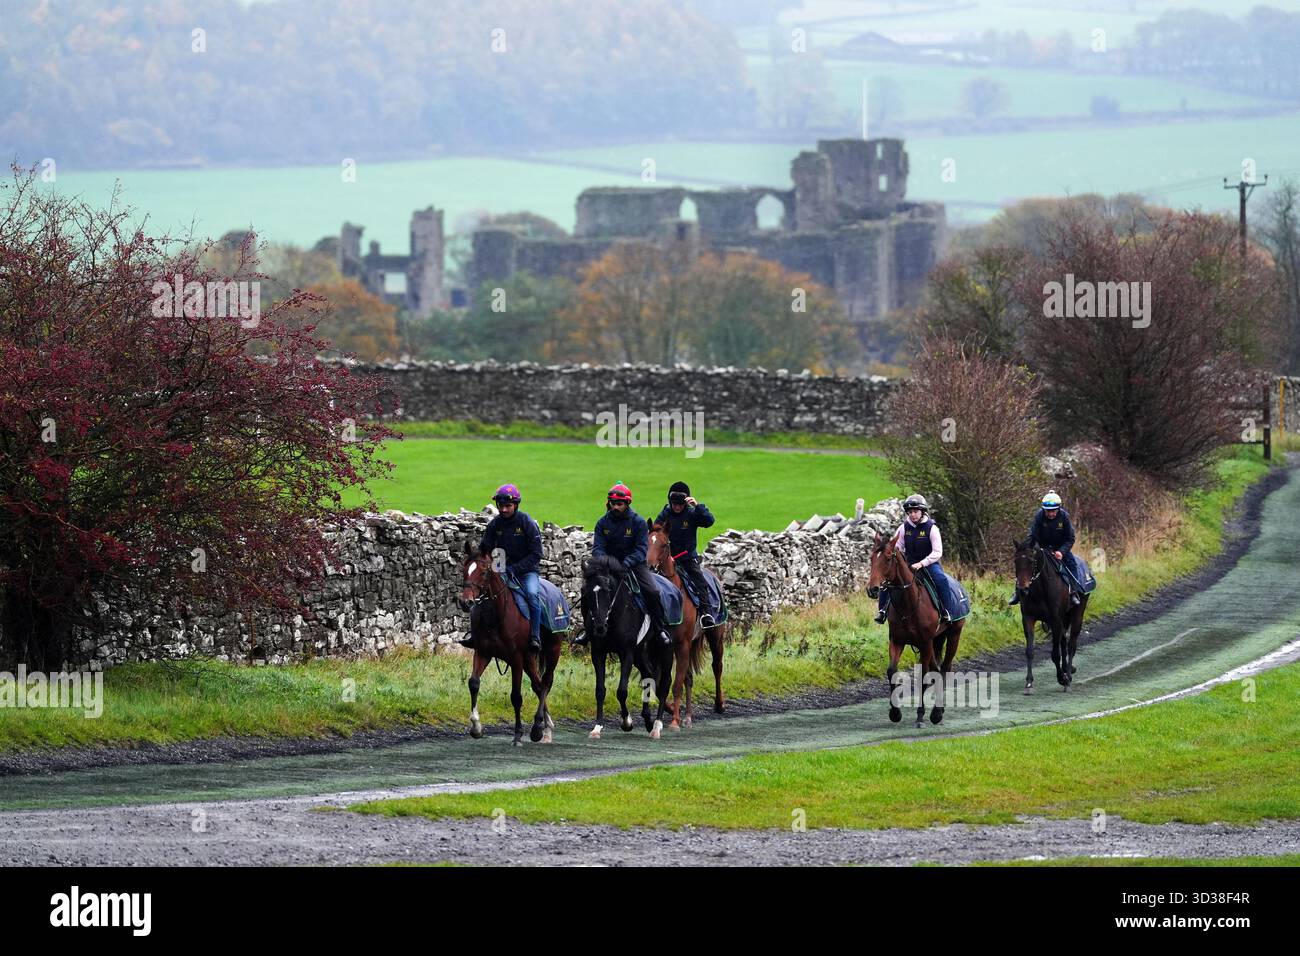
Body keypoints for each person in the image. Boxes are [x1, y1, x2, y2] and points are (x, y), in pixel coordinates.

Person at [574, 482, 672, 647]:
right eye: (613, 503)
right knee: (587, 590)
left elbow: (641, 549)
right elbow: (598, 548)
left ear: (627, 504)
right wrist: (605, 562)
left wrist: (626, 563)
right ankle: (587, 630)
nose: (616, 507)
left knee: (653, 591)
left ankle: (659, 627)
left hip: (633, 566)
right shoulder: (602, 523)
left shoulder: (638, 523)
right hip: (608, 567)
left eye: (619, 504)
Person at [477, 483, 545, 651]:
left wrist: (515, 569)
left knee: (532, 595)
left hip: (527, 572)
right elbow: (485, 548)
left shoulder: (526, 522)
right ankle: (478, 634)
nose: (504, 510)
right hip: (501, 570)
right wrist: (489, 563)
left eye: (508, 506)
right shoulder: (495, 524)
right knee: (484, 594)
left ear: (516, 505)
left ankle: (535, 636)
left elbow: (536, 554)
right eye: (501, 506)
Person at [874, 494, 956, 625]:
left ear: (922, 512)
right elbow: (898, 547)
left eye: (915, 511)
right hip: (908, 563)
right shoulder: (903, 528)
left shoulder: (932, 528)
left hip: (929, 564)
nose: (913, 514)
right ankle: (882, 611)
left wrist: (921, 564)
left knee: (941, 579)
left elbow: (937, 552)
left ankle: (947, 611)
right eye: (910, 512)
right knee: (888, 580)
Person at [654, 481, 718, 627]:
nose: (676, 507)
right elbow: (656, 531)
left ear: (686, 502)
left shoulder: (692, 513)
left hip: (687, 558)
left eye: (680, 504)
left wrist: (698, 506)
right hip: (667, 559)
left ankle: (706, 613)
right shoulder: (665, 514)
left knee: (700, 581)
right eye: (673, 503)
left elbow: (709, 521)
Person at [1009, 491, 1085, 607]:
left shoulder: (1064, 517)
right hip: (1043, 549)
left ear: (1058, 509)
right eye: (1048, 511)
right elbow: (1033, 535)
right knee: (1025, 564)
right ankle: (1018, 592)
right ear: (1044, 509)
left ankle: (1073, 593)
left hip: (1061, 549)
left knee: (1072, 564)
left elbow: (1070, 538)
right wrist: (1025, 548)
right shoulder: (1039, 516)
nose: (1050, 514)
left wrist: (1061, 551)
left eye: (1053, 511)